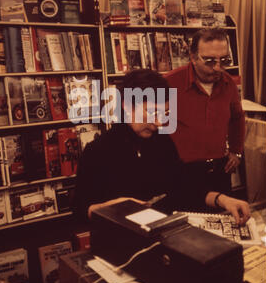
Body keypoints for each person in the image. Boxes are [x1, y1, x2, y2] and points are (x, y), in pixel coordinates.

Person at [75, 69, 250, 226]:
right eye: (151, 112)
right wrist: (114, 207)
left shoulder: (161, 141)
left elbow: (185, 187)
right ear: (126, 106)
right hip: (122, 243)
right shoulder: (97, 151)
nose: (159, 123)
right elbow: (80, 212)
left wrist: (223, 200)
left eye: (164, 113)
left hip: (164, 234)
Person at [164, 28, 245, 208]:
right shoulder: (168, 83)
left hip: (220, 170)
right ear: (193, 57)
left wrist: (236, 150)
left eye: (223, 61)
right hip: (183, 173)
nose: (217, 67)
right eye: (209, 61)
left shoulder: (229, 83)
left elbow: (238, 117)